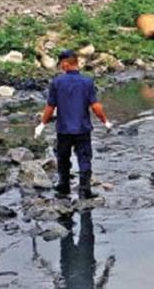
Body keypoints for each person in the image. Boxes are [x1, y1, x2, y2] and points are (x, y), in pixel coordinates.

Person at [35, 50, 113, 200]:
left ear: (65, 64)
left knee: (63, 158)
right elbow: (95, 106)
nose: (60, 68)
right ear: (76, 63)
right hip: (82, 129)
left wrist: (42, 124)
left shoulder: (57, 82)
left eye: (61, 65)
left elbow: (50, 107)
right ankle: (85, 190)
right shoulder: (87, 82)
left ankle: (63, 187)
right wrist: (106, 121)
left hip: (63, 129)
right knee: (84, 158)